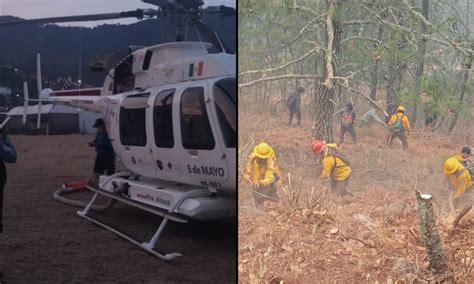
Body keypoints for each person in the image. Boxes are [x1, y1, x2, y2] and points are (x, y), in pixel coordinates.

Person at [245, 142, 281, 208]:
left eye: (262, 158)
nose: (260, 159)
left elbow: (269, 178)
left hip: (271, 179)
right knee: (257, 196)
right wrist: (248, 178)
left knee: (272, 196)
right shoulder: (252, 158)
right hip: (258, 179)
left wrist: (260, 183)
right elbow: (248, 172)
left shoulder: (270, 161)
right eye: (259, 157)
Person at [88, 118, 115, 187]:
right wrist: (92, 143)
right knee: (97, 169)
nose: (97, 128)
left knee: (110, 171)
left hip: (108, 155)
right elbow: (96, 140)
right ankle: (95, 183)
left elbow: (107, 143)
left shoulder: (109, 133)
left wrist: (95, 144)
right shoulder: (99, 133)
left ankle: (112, 185)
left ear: (102, 125)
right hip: (100, 154)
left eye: (98, 126)